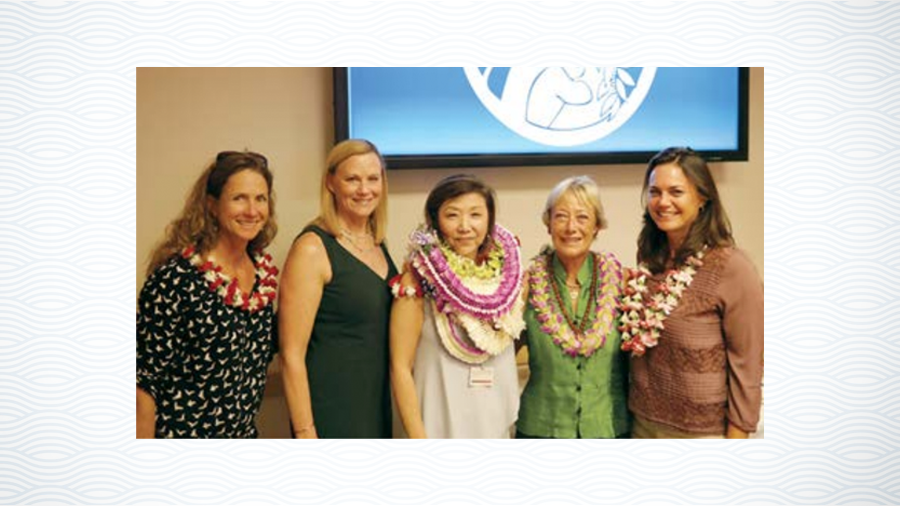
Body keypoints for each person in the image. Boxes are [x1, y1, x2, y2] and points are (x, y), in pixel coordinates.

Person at [622, 147, 764, 439]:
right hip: (642, 425)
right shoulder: (650, 259)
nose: (663, 202)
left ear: (702, 198)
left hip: (702, 434)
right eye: (654, 192)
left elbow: (748, 366)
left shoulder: (733, 268)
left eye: (676, 192)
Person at [136, 150, 279, 438]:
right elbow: (142, 386)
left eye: (260, 198)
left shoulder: (263, 276)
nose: (252, 211)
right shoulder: (175, 279)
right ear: (212, 205)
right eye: (239, 198)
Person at [390, 174, 524, 439]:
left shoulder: (507, 280)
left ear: (489, 220)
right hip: (437, 427)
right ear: (435, 221)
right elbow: (400, 367)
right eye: (452, 215)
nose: (465, 226)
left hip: (493, 427)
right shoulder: (417, 280)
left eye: (475, 215)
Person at [279, 139, 396, 439]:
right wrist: (305, 432)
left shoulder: (377, 241)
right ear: (331, 183)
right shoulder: (312, 248)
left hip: (373, 402)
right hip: (331, 409)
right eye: (352, 179)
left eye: (373, 178)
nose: (364, 189)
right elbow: (291, 354)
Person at [517, 176, 629, 439]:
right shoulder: (526, 284)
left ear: (597, 226)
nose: (571, 227)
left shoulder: (622, 282)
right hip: (541, 428)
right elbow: (499, 352)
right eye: (561, 216)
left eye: (582, 217)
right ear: (548, 224)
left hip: (609, 428)